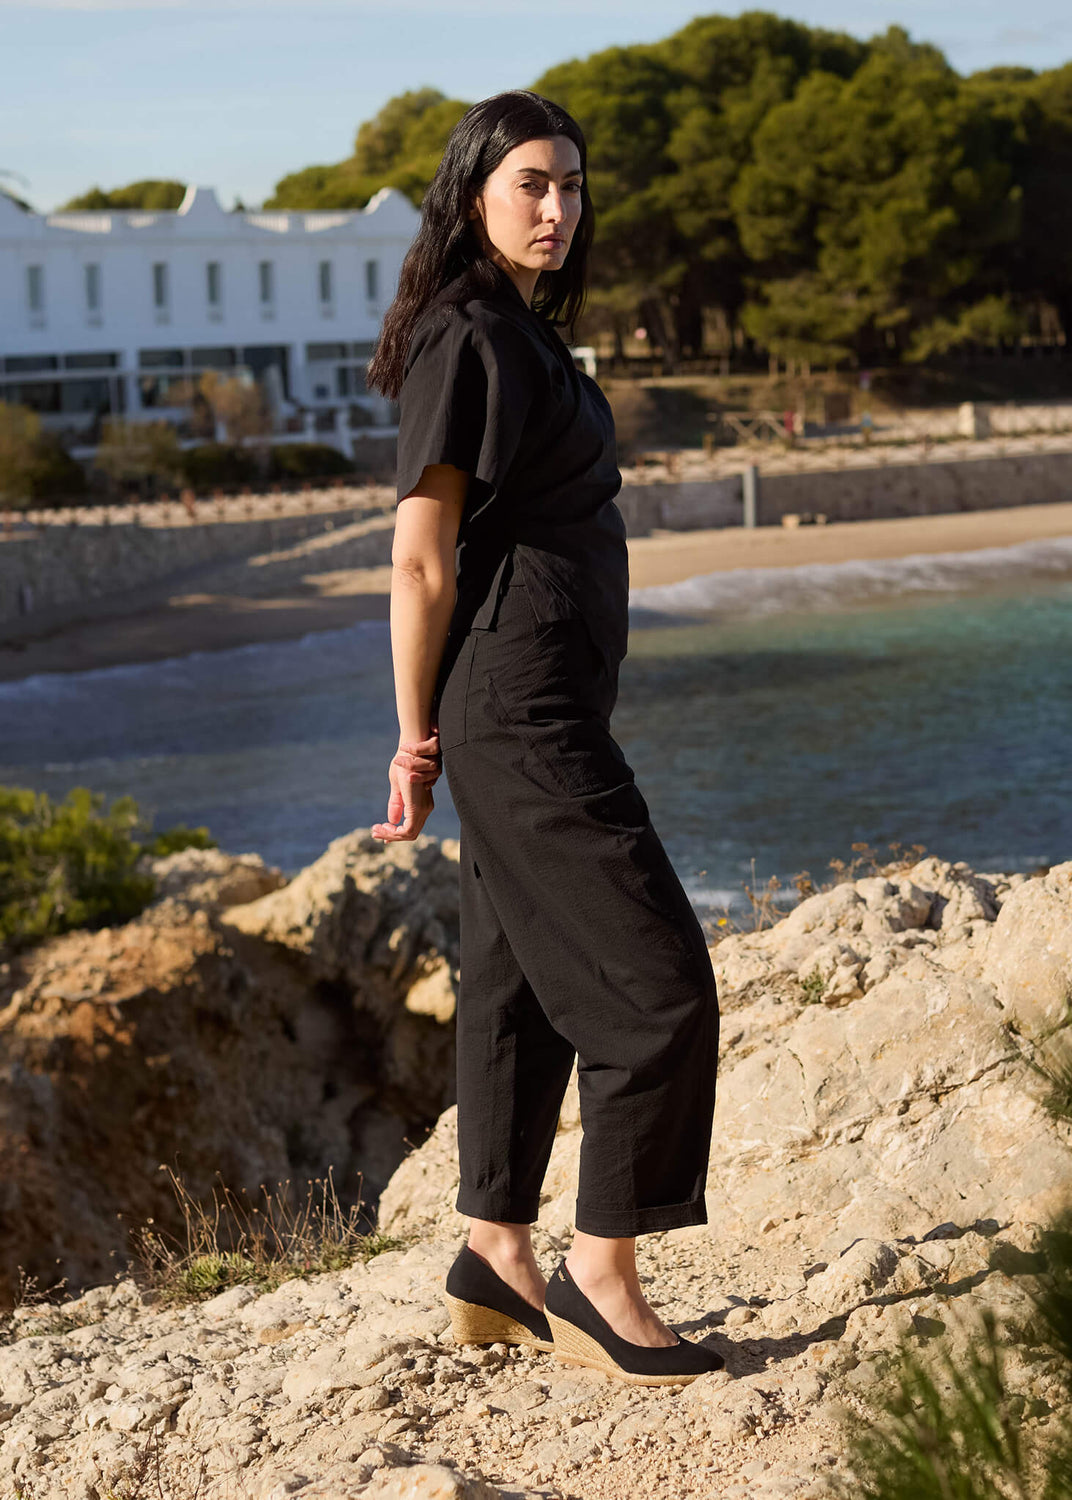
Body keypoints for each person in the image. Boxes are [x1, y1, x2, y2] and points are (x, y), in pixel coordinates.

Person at [368, 90, 722, 1385]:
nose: (558, 208)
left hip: (542, 693)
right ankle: (605, 1270)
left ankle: (494, 1248)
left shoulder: (517, 333)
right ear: (473, 191)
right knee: (659, 988)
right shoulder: (467, 338)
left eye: (572, 184)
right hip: (516, 706)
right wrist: (414, 735)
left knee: (516, 984)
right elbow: (418, 557)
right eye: (531, 183)